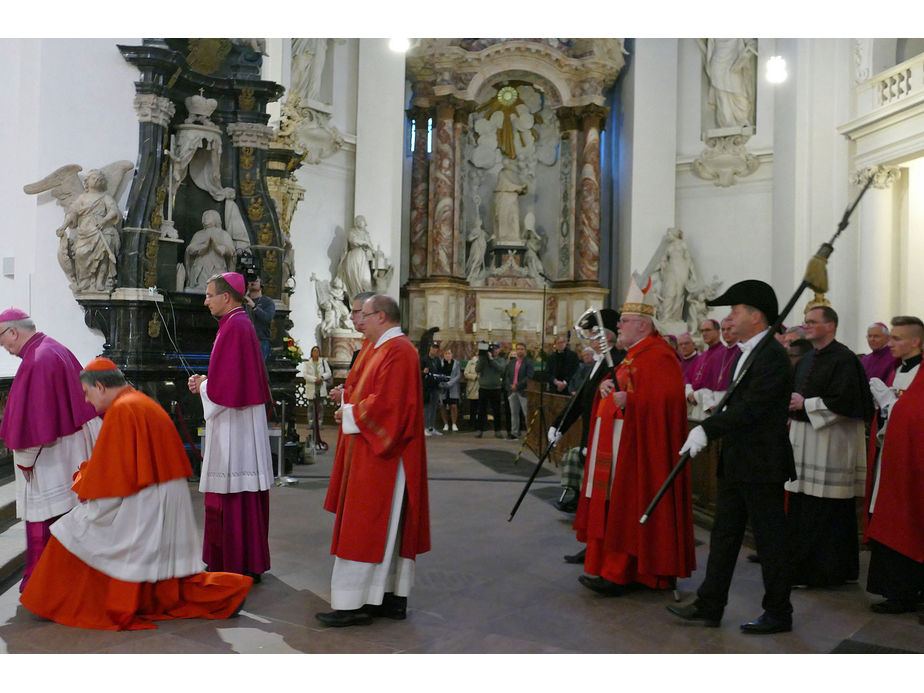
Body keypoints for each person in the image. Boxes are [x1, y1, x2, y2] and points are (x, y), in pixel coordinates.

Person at [20, 357, 251, 631]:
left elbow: (111, 478)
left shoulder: (123, 409)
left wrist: (85, 484)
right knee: (164, 582)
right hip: (159, 495)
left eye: (87, 393)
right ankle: (227, 590)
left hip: (146, 499)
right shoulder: (137, 401)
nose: (87, 401)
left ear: (100, 386)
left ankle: (53, 600)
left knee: (73, 530)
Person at [669, 279, 796, 634]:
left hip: (761, 463)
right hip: (738, 460)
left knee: (770, 541)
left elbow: (753, 408)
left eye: (735, 310)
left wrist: (708, 429)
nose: (730, 317)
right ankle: (711, 604)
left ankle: (778, 612)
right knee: (724, 536)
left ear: (756, 316)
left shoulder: (771, 355)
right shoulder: (747, 352)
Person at [574, 280, 695, 596]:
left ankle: (632, 573)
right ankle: (612, 569)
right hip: (620, 446)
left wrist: (632, 402)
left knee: (630, 508)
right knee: (617, 508)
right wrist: (606, 388)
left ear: (643, 325)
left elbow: (668, 402)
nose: (619, 326)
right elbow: (623, 386)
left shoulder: (659, 355)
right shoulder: (633, 355)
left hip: (642, 452)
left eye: (625, 321)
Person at [317, 295, 430, 627]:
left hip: (385, 454)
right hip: (369, 449)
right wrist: (348, 399)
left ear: (381, 316)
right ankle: (383, 597)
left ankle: (355, 603)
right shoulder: (377, 346)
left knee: (367, 526)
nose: (356, 319)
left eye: (361, 313)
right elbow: (370, 392)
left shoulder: (400, 351)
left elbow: (391, 406)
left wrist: (349, 411)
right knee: (379, 527)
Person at [0, 308, 102, 592]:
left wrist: (23, 461)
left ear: (13, 332)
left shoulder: (36, 360)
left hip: (52, 457)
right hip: (69, 447)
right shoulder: (53, 348)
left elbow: (35, 426)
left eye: (1, 340)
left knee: (46, 523)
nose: (4, 348)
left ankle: (45, 589)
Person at [188, 272, 274, 580]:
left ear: (228, 297)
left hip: (234, 424)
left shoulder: (236, 327)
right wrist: (207, 382)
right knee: (239, 490)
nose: (206, 300)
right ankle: (241, 559)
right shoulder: (236, 324)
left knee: (234, 489)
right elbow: (231, 378)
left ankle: (234, 562)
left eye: (210, 295)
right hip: (238, 419)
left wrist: (204, 387)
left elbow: (227, 390)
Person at [785, 306, 873, 588]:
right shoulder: (808, 357)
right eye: (806, 321)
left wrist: (806, 404)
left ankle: (825, 571)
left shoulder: (845, 359)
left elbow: (850, 400)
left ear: (831, 326)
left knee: (827, 510)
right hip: (805, 442)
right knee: (807, 508)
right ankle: (820, 568)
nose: (806, 325)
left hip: (830, 446)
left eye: (813, 322)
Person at [865, 315, 924, 613]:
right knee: (888, 518)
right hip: (889, 456)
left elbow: (917, 417)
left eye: (896, 338)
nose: (890, 344)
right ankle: (893, 590)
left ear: (916, 341)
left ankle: (906, 593)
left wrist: (892, 407)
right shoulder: (896, 370)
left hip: (911, 463)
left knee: (906, 521)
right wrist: (887, 413)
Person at [550, 314, 624, 521]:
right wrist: (559, 426)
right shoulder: (598, 364)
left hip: (605, 435)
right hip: (591, 432)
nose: (590, 340)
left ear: (606, 337)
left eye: (594, 335)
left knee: (602, 493)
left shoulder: (616, 361)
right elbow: (580, 402)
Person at [184, 210, 236, 292]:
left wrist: (219, 248)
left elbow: (231, 250)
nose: (204, 219)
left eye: (207, 216)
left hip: (218, 266)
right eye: (203, 217)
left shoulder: (223, 234)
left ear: (216, 218)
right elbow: (190, 249)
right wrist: (202, 248)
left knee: (217, 287)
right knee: (200, 286)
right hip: (201, 266)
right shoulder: (199, 234)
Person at [686, 319, 723, 419]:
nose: (704, 334)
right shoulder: (701, 356)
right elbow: (688, 378)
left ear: (718, 332)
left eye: (707, 330)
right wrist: (689, 393)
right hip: (696, 406)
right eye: (702, 331)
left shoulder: (724, 354)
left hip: (710, 407)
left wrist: (699, 395)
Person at [300, 345, 332, 452]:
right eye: (314, 350)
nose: (316, 352)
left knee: (320, 406)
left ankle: (319, 423)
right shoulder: (307, 363)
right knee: (310, 406)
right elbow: (305, 375)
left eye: (317, 351)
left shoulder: (323, 362)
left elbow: (329, 373)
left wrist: (322, 377)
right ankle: (310, 422)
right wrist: (315, 379)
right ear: (311, 352)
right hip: (312, 385)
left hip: (321, 386)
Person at [475, 341, 507, 438]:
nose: (494, 350)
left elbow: (501, 369)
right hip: (484, 388)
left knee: (496, 411)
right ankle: (480, 430)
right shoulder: (483, 359)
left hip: (495, 388)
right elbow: (477, 369)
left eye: (496, 348)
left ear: (499, 350)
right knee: (481, 411)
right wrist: (482, 358)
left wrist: (491, 359)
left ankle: (497, 430)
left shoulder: (501, 359)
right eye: (493, 349)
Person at [504, 343, 535, 438]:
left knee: (526, 413)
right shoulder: (512, 362)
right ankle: (514, 433)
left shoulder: (528, 362)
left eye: (522, 349)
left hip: (523, 391)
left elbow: (529, 376)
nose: (520, 351)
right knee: (514, 413)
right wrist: (510, 385)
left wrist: (517, 386)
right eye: (518, 349)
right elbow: (507, 375)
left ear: (525, 351)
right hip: (512, 391)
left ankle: (530, 434)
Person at [244, 269, 276, 360]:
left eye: (256, 280)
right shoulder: (242, 301)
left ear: (261, 285)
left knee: (258, 369)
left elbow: (268, 318)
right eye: (251, 281)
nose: (253, 282)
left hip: (261, 341)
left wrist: (254, 307)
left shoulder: (267, 302)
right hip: (245, 340)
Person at [422, 341, 445, 437]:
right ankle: (425, 427)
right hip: (427, 387)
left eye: (436, 348)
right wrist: (423, 372)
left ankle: (431, 427)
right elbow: (418, 372)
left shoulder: (438, 360)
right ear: (430, 348)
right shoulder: (424, 359)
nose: (435, 349)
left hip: (435, 386)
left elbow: (440, 371)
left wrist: (442, 378)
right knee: (427, 408)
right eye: (433, 347)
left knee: (434, 407)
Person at [438, 347, 462, 432]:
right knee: (442, 405)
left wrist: (452, 382)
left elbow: (458, 375)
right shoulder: (440, 363)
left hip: (453, 387)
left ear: (452, 354)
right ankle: (445, 424)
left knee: (454, 406)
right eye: (446, 354)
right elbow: (438, 373)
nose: (448, 355)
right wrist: (441, 382)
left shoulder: (456, 363)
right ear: (444, 355)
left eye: (449, 353)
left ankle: (454, 423)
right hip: (443, 387)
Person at [463, 355, 480, 430]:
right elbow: (466, 374)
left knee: (482, 407)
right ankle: (472, 424)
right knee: (473, 407)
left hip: (482, 387)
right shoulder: (471, 363)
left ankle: (481, 425)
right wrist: (475, 376)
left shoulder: (486, 362)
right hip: (473, 387)